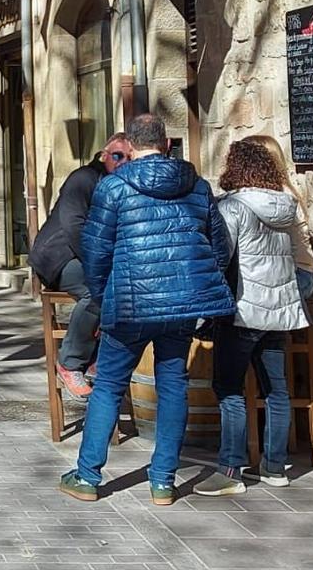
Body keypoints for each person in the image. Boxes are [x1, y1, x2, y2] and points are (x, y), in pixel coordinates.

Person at [60, 114, 233, 506]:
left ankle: (87, 476)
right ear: (167, 144)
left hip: (130, 302)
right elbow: (219, 247)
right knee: (174, 386)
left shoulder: (114, 187)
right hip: (180, 306)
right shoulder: (197, 187)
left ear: (131, 147)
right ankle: (163, 482)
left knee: (108, 385)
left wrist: (104, 299)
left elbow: (96, 251)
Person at [201, 137, 313, 497]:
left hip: (243, 309)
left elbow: (222, 257)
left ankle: (231, 471)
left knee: (229, 389)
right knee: (277, 390)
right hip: (280, 311)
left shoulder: (233, 207)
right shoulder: (285, 206)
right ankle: (274, 467)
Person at [28, 134, 134, 400]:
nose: (122, 162)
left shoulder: (122, 185)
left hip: (91, 258)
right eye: (116, 156)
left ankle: (97, 358)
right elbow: (73, 225)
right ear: (103, 155)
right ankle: (70, 362)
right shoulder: (84, 179)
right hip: (58, 256)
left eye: (128, 157)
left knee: (125, 292)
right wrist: (98, 265)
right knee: (97, 292)